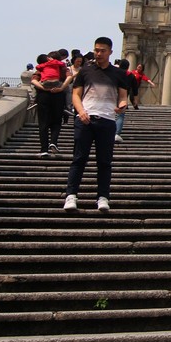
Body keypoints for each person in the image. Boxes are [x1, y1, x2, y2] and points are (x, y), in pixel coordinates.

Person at [64, 36, 128, 212]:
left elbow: (123, 96)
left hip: (107, 121)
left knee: (105, 162)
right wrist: (81, 112)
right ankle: (71, 196)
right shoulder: (85, 71)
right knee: (78, 159)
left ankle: (103, 197)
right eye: (96, 50)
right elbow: (76, 95)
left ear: (110, 52)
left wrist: (123, 105)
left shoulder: (119, 74)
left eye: (102, 51)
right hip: (85, 119)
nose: (98, 54)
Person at [32, 53, 70, 156]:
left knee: (43, 123)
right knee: (57, 122)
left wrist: (43, 88)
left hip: (44, 96)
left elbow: (34, 80)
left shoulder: (43, 67)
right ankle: (53, 142)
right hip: (58, 95)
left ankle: (44, 149)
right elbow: (69, 78)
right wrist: (62, 88)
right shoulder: (62, 67)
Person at [113, 58, 138, 143]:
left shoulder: (114, 73)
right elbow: (135, 89)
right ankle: (116, 134)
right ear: (128, 67)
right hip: (123, 98)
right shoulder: (130, 75)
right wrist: (135, 101)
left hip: (111, 96)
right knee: (120, 115)